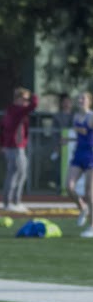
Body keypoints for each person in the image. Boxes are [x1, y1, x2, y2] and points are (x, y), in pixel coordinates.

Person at [0, 87, 38, 213]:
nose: (27, 101)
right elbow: (34, 105)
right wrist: (34, 96)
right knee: (16, 174)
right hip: (15, 147)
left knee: (18, 173)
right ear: (19, 99)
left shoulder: (12, 111)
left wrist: (2, 144)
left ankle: (13, 201)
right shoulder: (16, 110)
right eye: (25, 99)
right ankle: (11, 202)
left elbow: (0, 128)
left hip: (14, 146)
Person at [66, 92, 93, 238]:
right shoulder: (76, 117)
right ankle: (83, 208)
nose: (80, 100)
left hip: (90, 155)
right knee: (69, 187)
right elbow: (80, 137)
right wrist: (67, 141)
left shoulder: (91, 117)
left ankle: (92, 226)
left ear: (89, 101)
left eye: (83, 98)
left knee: (89, 192)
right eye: (79, 98)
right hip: (78, 155)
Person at [51, 93, 74, 193]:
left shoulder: (75, 116)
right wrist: (56, 145)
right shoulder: (57, 116)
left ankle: (72, 188)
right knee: (59, 167)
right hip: (61, 145)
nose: (66, 104)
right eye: (64, 102)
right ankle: (59, 187)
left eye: (68, 102)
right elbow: (54, 132)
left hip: (73, 146)